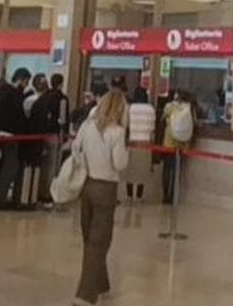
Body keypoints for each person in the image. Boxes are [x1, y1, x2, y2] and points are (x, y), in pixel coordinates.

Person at [72, 89, 128, 306]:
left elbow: (77, 151)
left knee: (90, 236)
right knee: (99, 240)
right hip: (106, 187)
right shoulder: (117, 132)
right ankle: (85, 294)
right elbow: (119, 163)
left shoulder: (87, 127)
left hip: (88, 184)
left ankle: (101, 282)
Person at [0, 68, 32, 209]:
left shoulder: (1, 92)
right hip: (11, 135)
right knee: (10, 168)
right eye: (26, 81)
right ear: (21, 79)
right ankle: (1, 201)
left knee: (4, 167)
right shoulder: (15, 95)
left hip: (0, 134)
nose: (27, 84)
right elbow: (19, 117)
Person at [30, 73, 70, 206]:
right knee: (52, 166)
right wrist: (64, 135)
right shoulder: (62, 98)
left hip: (42, 134)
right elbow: (64, 119)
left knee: (43, 165)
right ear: (61, 83)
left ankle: (40, 192)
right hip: (55, 134)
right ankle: (49, 194)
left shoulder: (44, 97)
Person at [161, 90, 196, 204]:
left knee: (167, 169)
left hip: (169, 143)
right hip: (182, 144)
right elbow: (194, 123)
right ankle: (173, 196)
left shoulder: (169, 106)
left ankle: (165, 195)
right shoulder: (190, 108)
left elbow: (163, 118)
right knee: (177, 171)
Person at [125, 88, 155, 203]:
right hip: (145, 143)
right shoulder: (150, 109)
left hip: (132, 142)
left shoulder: (130, 108)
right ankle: (139, 196)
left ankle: (129, 195)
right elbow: (152, 128)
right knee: (142, 170)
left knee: (130, 170)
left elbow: (126, 124)